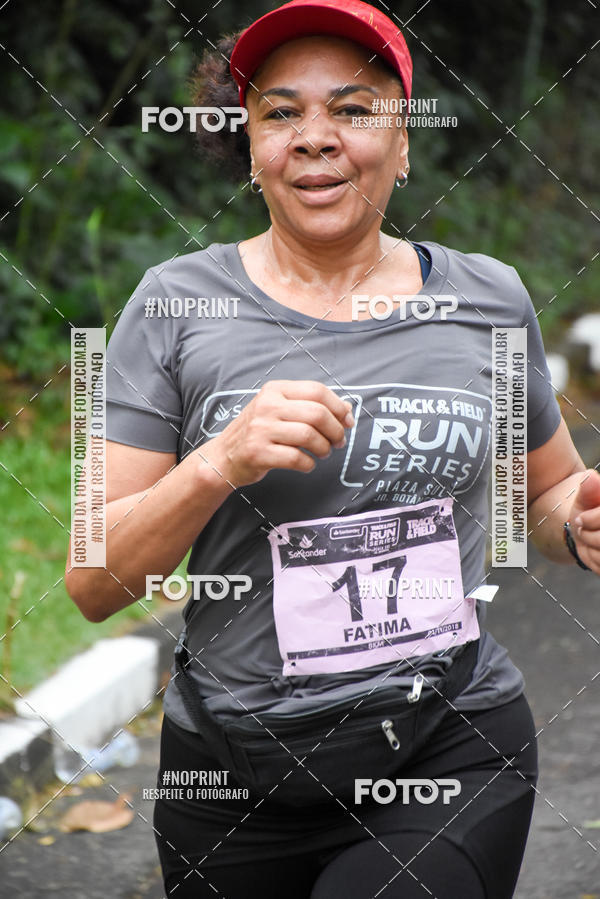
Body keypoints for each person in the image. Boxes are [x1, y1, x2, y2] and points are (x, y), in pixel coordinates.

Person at [64, 1, 600, 896]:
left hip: (447, 740)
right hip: (228, 767)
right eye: (281, 112)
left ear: (401, 138)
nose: (315, 138)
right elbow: (93, 581)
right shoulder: (171, 303)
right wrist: (218, 461)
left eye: (352, 109)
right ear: (249, 143)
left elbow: (544, 496)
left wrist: (578, 521)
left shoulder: (490, 299)